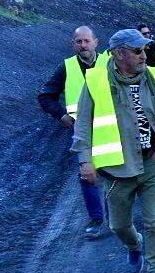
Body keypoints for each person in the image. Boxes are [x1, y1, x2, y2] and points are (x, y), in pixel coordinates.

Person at [73, 29, 155, 273]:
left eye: (145, 50)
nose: (144, 55)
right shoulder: (97, 81)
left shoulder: (154, 77)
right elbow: (83, 123)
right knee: (118, 224)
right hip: (118, 168)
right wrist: (85, 160)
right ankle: (134, 245)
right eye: (137, 51)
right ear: (120, 54)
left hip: (153, 161)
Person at [37, 25, 107, 239]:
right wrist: (63, 116)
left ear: (96, 42)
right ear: (73, 44)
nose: (83, 45)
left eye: (87, 41)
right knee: (87, 176)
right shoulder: (66, 67)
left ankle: (117, 219)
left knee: (116, 175)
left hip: (111, 128)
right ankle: (97, 219)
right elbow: (45, 96)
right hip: (82, 131)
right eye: (79, 41)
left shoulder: (110, 62)